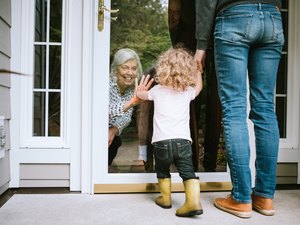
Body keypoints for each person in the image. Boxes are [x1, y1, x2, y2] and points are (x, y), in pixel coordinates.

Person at [194, 0, 284, 218]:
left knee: (234, 108)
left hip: (234, 16)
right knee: (265, 108)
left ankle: (241, 198)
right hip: (272, 17)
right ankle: (264, 196)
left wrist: (200, 45)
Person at [136, 48, 203, 217]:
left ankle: (165, 199)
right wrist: (198, 72)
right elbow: (199, 88)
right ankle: (193, 202)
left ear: (163, 68)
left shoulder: (157, 91)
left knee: (163, 170)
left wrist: (138, 91)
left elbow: (142, 96)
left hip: (161, 142)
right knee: (188, 172)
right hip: (183, 142)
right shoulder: (187, 91)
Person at [108, 48, 153, 166]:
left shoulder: (130, 88)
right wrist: (131, 102)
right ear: (116, 69)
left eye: (133, 68)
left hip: (109, 133)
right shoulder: (107, 84)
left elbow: (126, 116)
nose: (130, 73)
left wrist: (113, 129)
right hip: (93, 132)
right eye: (125, 67)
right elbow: (104, 110)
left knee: (116, 141)